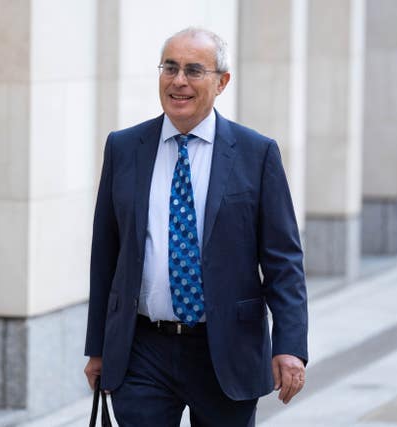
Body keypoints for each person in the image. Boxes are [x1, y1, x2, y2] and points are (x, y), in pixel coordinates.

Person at [83, 27, 308, 427]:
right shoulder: (124, 148)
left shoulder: (256, 154)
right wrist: (98, 348)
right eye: (170, 68)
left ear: (222, 82)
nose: (179, 81)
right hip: (141, 350)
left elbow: (283, 260)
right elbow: (106, 256)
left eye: (193, 70)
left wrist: (290, 345)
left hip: (225, 351)